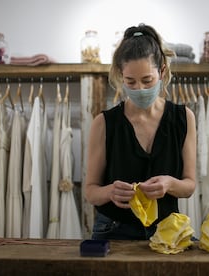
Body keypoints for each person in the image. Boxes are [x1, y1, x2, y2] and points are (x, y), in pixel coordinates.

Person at [84, 23, 196, 240]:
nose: (139, 89)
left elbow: (189, 185)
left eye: (147, 81)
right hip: (114, 230)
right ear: (120, 76)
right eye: (130, 82)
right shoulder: (104, 123)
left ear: (162, 71)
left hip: (168, 230)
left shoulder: (183, 118)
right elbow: (90, 191)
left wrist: (169, 184)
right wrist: (110, 192)